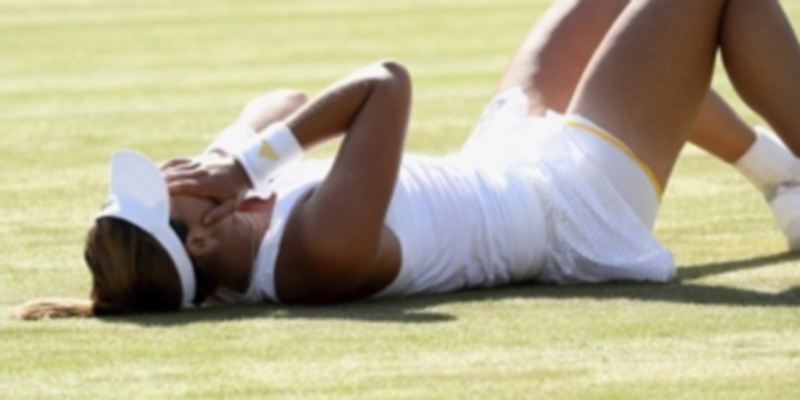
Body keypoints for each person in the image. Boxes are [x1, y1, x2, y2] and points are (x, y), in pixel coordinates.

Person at [12, 0, 800, 319]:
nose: (180, 174)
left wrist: (226, 158)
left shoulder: (236, 234)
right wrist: (244, 170)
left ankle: (780, 180)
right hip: (574, 208)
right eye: (173, 194)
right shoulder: (315, 250)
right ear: (205, 239)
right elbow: (385, 84)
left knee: (607, 15)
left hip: (504, 159)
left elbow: (282, 99)